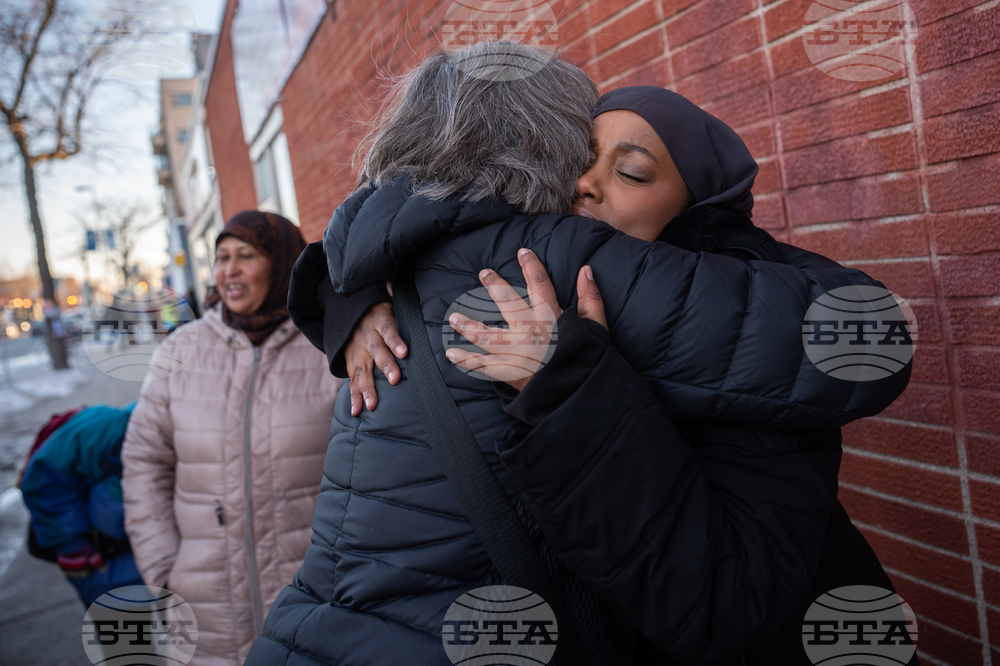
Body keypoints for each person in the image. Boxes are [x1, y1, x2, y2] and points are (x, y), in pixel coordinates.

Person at [247, 44, 908, 666]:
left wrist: (565, 385)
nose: (585, 185)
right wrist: (350, 295)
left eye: (631, 171)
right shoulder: (534, 264)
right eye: (580, 161)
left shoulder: (677, 296)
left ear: (702, 207)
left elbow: (723, 597)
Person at [122, 211, 341, 666]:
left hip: (315, 604)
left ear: (283, 263)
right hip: (203, 611)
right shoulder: (179, 352)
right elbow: (144, 463)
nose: (230, 270)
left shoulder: (329, 348)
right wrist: (164, 570)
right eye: (222, 257)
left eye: (246, 256)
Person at [19, 404, 145, 606]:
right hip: (101, 565)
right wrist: (72, 545)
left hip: (154, 563)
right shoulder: (106, 427)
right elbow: (43, 482)